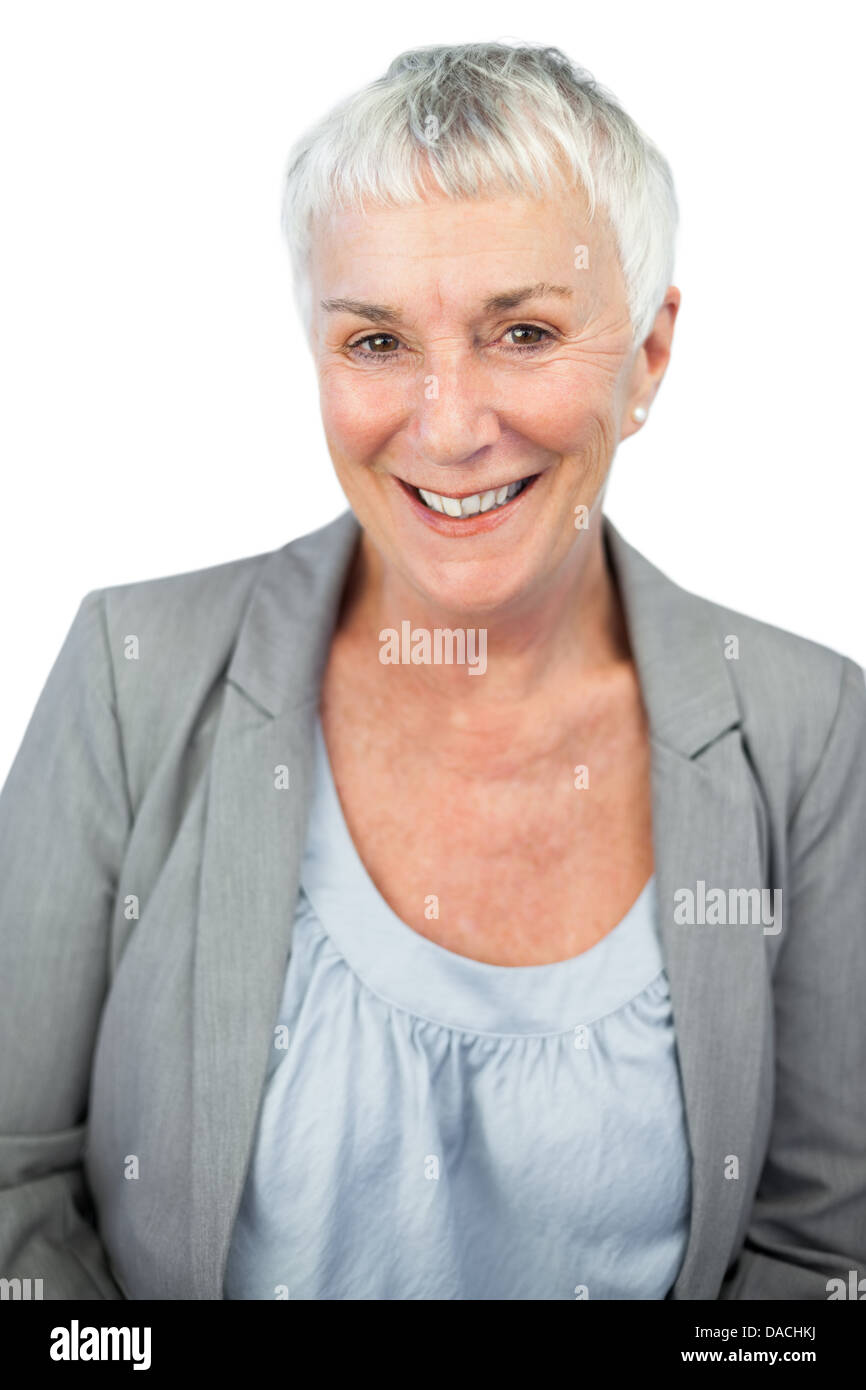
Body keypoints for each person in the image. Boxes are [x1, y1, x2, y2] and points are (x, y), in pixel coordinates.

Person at [1, 42, 864, 1301]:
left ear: (649, 358)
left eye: (522, 331)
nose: (450, 424)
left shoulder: (808, 730)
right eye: (377, 341)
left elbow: (818, 1258)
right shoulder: (135, 677)